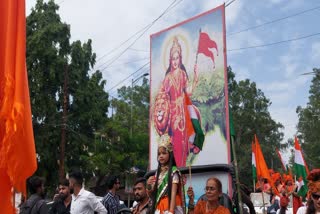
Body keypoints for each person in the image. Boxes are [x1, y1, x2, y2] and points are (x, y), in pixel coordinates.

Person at [153, 35, 200, 167]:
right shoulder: (167, 78)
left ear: (180, 59)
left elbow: (188, 91)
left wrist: (195, 78)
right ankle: (175, 169)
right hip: (172, 115)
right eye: (173, 58)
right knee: (174, 143)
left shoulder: (183, 74)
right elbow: (162, 94)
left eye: (177, 58)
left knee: (184, 142)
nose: (175, 61)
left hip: (183, 114)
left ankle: (183, 169)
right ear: (170, 60)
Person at [147, 134, 185, 214]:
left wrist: (171, 211)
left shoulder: (174, 171)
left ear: (170, 154)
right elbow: (152, 196)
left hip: (171, 205)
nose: (161, 156)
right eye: (159, 154)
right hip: (159, 206)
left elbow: (173, 193)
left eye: (164, 153)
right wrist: (149, 185)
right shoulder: (158, 173)